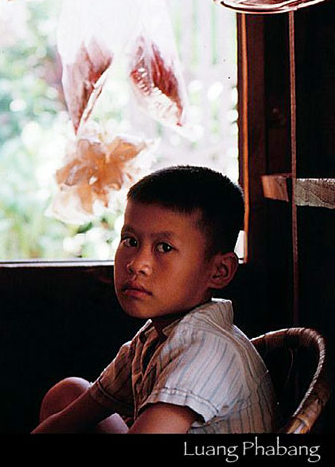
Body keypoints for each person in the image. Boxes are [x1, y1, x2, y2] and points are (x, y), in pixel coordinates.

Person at [33, 165, 277, 434]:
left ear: (219, 271)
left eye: (164, 247)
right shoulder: (153, 338)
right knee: (69, 393)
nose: (137, 264)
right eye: (130, 241)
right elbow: (75, 416)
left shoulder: (205, 351)